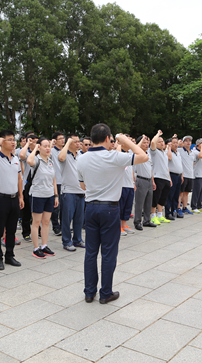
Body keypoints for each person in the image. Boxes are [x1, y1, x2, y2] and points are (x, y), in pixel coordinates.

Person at [77, 125, 148, 304]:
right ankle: (105, 293)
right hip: (110, 208)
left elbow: (82, 186)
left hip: (90, 207)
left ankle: (89, 292)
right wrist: (125, 141)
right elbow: (143, 156)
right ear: (108, 138)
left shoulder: (81, 159)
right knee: (108, 253)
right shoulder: (115, 157)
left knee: (91, 252)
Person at [0, 131, 24, 270]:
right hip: (0, 198)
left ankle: (9, 255)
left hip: (14, 198)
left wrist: (21, 196)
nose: (13, 142)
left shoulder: (15, 158)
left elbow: (19, 178)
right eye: (9, 140)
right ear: (2, 142)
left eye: (14, 139)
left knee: (12, 230)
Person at [27, 137, 58, 259]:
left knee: (46, 222)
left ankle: (44, 245)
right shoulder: (36, 160)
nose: (48, 148)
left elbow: (53, 179)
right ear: (39, 147)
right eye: (45, 146)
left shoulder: (50, 161)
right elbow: (29, 160)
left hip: (49, 195)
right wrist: (35, 147)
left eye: (49, 146)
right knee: (36, 222)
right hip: (37, 195)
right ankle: (36, 248)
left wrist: (56, 195)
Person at [58, 134, 86, 251]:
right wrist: (68, 142)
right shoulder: (65, 155)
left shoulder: (81, 155)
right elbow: (60, 158)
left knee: (79, 219)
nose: (78, 143)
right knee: (67, 219)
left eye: (79, 141)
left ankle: (77, 239)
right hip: (68, 191)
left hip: (81, 191)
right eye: (75, 141)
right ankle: (66, 241)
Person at [133, 135, 156, 230]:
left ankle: (147, 220)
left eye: (147, 142)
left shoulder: (148, 153)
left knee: (148, 202)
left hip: (149, 180)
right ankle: (137, 221)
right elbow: (135, 148)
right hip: (141, 179)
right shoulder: (138, 153)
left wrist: (153, 181)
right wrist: (141, 139)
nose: (147, 144)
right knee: (139, 203)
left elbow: (150, 168)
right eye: (144, 142)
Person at [18, 133, 38, 241]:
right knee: (26, 211)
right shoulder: (27, 153)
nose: (36, 144)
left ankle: (37, 230)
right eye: (34, 142)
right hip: (27, 183)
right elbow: (21, 156)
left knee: (37, 210)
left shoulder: (40, 154)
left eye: (37, 142)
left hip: (39, 184)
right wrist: (28, 144)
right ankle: (26, 232)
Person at [149, 130, 172, 225]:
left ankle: (160, 215)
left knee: (163, 199)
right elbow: (152, 142)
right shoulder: (154, 152)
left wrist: (169, 178)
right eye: (159, 142)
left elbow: (167, 167)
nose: (161, 143)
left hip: (166, 178)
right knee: (155, 198)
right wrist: (158, 134)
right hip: (158, 177)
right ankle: (153, 216)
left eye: (162, 141)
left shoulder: (164, 153)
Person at [118, 135, 136, 235]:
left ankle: (124, 225)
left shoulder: (129, 154)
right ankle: (118, 227)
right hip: (122, 185)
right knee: (120, 207)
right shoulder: (119, 153)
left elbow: (131, 169)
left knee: (128, 207)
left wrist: (133, 182)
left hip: (129, 184)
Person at [50, 131, 66, 236]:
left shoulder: (65, 151)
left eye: (63, 138)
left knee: (64, 207)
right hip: (56, 182)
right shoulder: (51, 151)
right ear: (55, 141)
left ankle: (63, 226)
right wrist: (51, 143)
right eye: (60, 138)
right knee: (56, 206)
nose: (62, 140)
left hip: (65, 182)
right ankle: (56, 226)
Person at [165, 136, 183, 221]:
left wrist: (182, 175)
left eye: (176, 142)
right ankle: (167, 212)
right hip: (172, 175)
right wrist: (169, 148)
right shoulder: (168, 152)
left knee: (176, 194)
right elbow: (169, 158)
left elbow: (180, 164)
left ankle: (174, 210)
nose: (176, 144)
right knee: (170, 195)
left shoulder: (178, 152)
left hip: (178, 176)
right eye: (174, 142)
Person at [178, 136, 195, 216]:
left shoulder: (192, 152)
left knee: (186, 193)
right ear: (183, 142)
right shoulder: (180, 150)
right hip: (183, 175)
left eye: (189, 141)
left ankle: (184, 207)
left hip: (190, 175)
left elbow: (193, 162)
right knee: (180, 193)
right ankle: (178, 208)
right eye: (186, 140)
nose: (188, 142)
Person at [191, 138, 202, 213]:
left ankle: (199, 205)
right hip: (198, 175)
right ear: (199, 144)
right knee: (196, 191)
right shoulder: (195, 152)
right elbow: (200, 156)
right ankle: (194, 206)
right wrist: (201, 148)